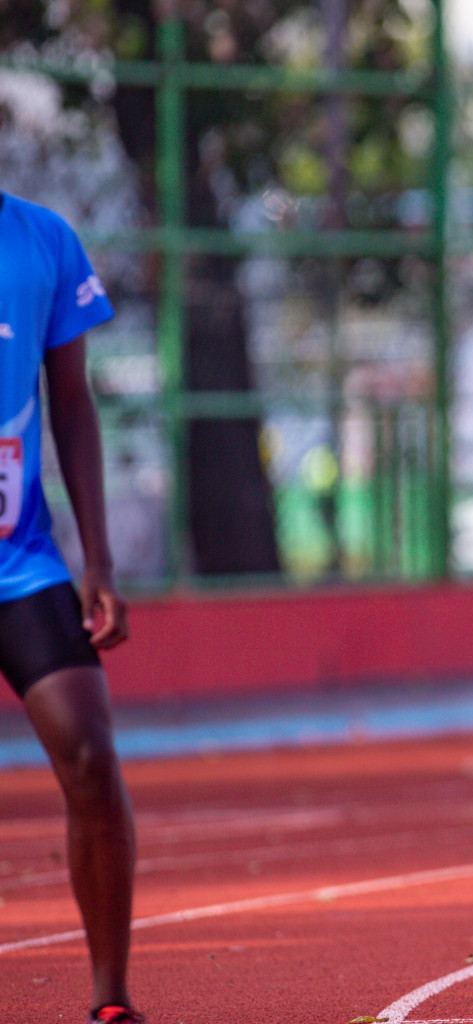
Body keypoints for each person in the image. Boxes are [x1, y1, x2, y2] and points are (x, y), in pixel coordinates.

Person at [0, 192, 140, 1023]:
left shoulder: (42, 239)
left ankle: (111, 1000)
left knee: (89, 753)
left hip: (22, 564)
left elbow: (73, 405)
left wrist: (99, 560)